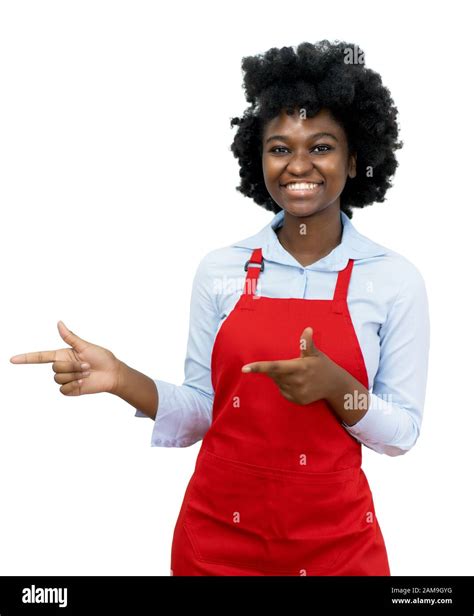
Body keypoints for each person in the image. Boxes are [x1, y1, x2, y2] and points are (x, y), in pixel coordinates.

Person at [10, 40, 430, 576]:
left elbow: (403, 435)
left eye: (321, 146)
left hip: (336, 546)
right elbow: (204, 410)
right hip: (217, 543)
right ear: (259, 160)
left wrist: (337, 387)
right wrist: (120, 378)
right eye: (280, 148)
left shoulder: (393, 280)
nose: (298, 164)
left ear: (354, 159)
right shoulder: (222, 270)